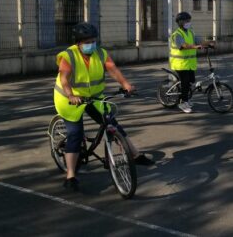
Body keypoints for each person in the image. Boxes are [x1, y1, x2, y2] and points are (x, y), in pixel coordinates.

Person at [54, 22, 153, 191]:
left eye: (93, 40)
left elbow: (112, 69)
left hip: (94, 96)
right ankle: (70, 175)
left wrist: (126, 84)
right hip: (69, 99)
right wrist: (71, 95)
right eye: (86, 41)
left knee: (112, 124)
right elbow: (64, 79)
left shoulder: (100, 53)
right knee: (75, 135)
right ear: (78, 42)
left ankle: (135, 155)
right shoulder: (68, 56)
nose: (90, 44)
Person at [169, 12, 215, 113]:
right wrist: (195, 46)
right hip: (179, 64)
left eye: (189, 20)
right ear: (181, 22)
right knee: (185, 84)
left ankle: (187, 99)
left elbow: (200, 41)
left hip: (189, 64)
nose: (188, 22)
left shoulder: (190, 32)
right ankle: (182, 102)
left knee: (191, 82)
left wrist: (210, 43)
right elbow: (183, 45)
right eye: (186, 21)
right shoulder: (176, 35)